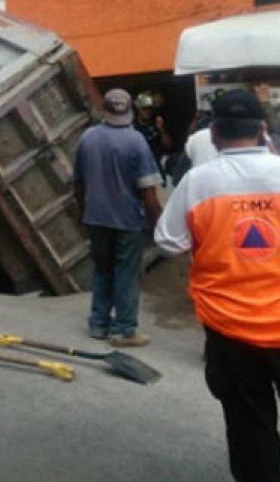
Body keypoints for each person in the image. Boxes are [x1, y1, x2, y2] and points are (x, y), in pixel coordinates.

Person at [155, 89, 280, 482]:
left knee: (249, 424)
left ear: (213, 136)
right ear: (263, 129)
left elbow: (168, 242)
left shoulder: (198, 182)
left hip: (230, 328)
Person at [73, 88, 162, 347]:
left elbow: (78, 183)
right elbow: (148, 191)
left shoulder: (87, 138)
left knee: (102, 269)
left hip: (96, 217)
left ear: (104, 111)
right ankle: (124, 329)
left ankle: (99, 324)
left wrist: (82, 210)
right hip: (127, 219)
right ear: (130, 112)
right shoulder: (136, 141)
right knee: (126, 272)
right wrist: (159, 223)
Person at [133, 91, 173, 186]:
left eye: (150, 109)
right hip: (138, 168)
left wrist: (161, 129)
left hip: (156, 168)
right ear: (139, 109)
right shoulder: (132, 126)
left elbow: (169, 146)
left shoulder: (157, 124)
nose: (148, 111)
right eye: (144, 109)